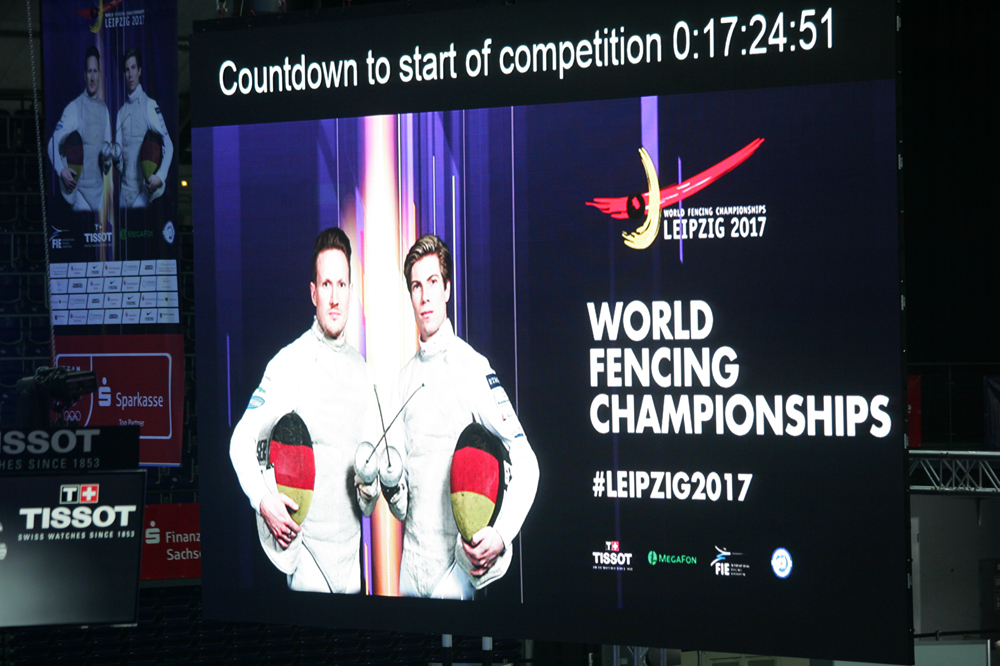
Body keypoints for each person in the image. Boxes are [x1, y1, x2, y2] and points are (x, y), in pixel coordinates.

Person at [386, 234, 539, 599]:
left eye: (433, 283)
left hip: (455, 573)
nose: (424, 297)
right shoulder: (402, 380)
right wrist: (388, 484)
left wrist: (501, 533)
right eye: (416, 286)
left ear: (448, 289)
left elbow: (526, 461)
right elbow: (403, 499)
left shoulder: (472, 368)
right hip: (409, 570)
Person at [230, 227, 380, 593]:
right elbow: (241, 441)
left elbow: (368, 494)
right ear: (313, 293)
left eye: (341, 285)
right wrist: (263, 500)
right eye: (326, 285)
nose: (334, 297)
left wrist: (371, 489)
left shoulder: (364, 372)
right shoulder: (290, 363)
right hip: (308, 558)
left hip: (351, 562)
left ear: (350, 291)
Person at [47, 46, 113, 213]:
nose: (92, 77)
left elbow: (108, 155)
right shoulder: (74, 108)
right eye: (89, 71)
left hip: (101, 196)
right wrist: (61, 170)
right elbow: (52, 143)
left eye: (95, 71)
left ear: (100, 74)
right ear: (85, 75)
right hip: (80, 196)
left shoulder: (104, 109)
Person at [114, 47, 173, 208]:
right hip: (124, 196)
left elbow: (168, 143)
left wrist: (160, 176)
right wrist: (114, 157)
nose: (130, 74)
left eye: (133, 68)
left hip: (144, 195)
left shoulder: (149, 105)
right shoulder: (121, 114)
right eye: (127, 70)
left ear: (139, 71)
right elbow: (120, 165)